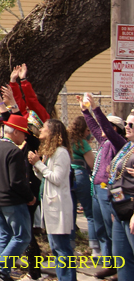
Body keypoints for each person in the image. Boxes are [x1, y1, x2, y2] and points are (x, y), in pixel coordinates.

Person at [80, 92, 127, 278]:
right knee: (101, 229)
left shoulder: (118, 143)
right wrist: (85, 112)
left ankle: (119, 264)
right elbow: (95, 126)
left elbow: (104, 128)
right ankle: (109, 262)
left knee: (111, 228)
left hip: (107, 190)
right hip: (96, 190)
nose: (99, 130)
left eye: (106, 127)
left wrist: (95, 108)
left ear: (115, 129)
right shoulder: (104, 142)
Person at [0, 113, 35, 281]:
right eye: (24, 133)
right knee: (22, 236)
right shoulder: (14, 151)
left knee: (3, 234)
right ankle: (0, 267)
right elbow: (17, 181)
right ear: (16, 132)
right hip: (13, 201)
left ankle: (2, 272)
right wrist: (29, 196)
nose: (25, 137)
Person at [28, 119, 76, 281]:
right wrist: (37, 165)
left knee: (61, 248)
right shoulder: (51, 152)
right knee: (56, 248)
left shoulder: (61, 153)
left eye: (44, 128)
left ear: (53, 132)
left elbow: (57, 177)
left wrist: (40, 165)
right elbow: (45, 177)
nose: (41, 130)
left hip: (59, 206)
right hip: (51, 205)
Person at [68, 114, 102, 257]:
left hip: (68, 177)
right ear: (82, 130)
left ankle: (70, 246)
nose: (90, 134)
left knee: (70, 213)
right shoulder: (83, 143)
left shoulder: (67, 141)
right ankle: (95, 248)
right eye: (88, 131)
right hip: (81, 176)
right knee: (90, 213)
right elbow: (92, 164)